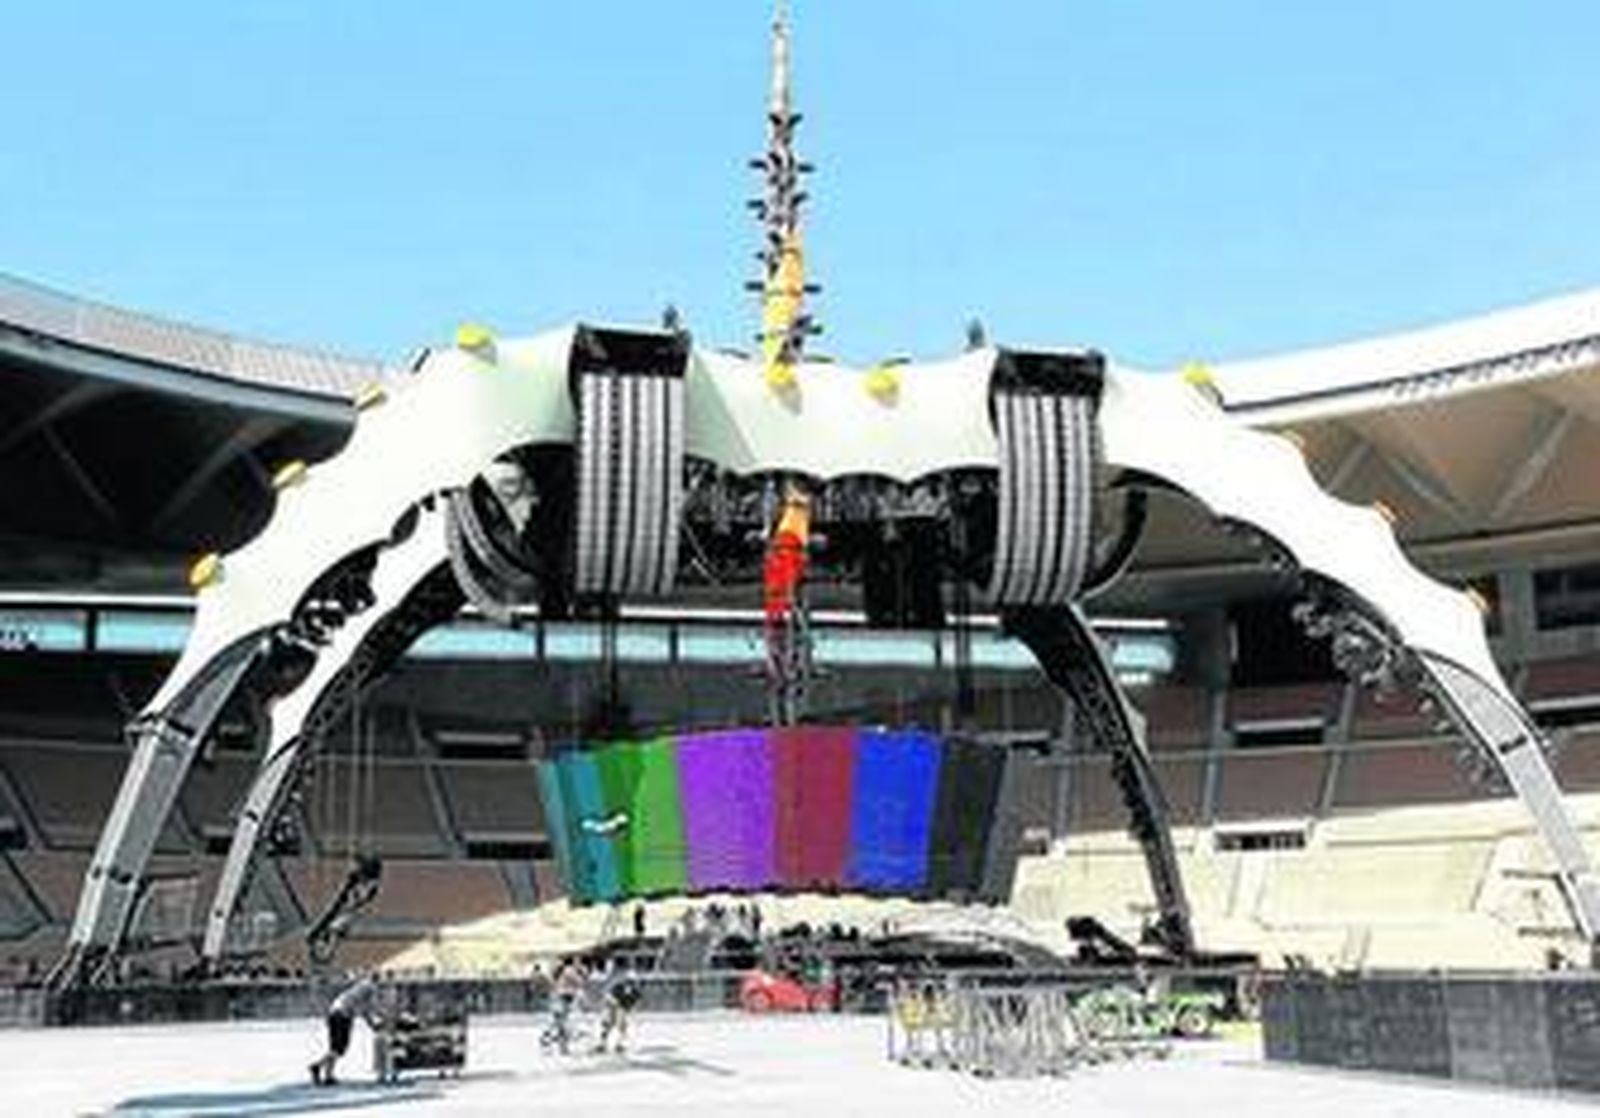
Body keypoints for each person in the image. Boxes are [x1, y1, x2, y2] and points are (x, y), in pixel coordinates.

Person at [310, 972, 386, 1086]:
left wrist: (372, 1023)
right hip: (343, 1015)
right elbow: (365, 1009)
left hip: (335, 1013)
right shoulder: (369, 988)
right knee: (340, 1048)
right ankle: (317, 1066)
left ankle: (328, 1075)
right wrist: (373, 1025)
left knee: (335, 1047)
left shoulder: (360, 986)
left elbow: (362, 1008)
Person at [542, 956, 588, 1054]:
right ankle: (553, 1043)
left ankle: (555, 1044)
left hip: (562, 998)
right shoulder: (569, 971)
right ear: (572, 962)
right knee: (561, 1023)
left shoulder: (567, 971)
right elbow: (580, 982)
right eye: (578, 962)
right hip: (562, 998)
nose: (579, 964)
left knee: (559, 1023)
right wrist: (583, 972)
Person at [596, 958, 641, 1054]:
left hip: (621, 1007)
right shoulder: (620, 987)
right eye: (630, 981)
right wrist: (611, 1005)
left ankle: (617, 1044)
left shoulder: (633, 990)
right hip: (615, 1006)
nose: (630, 983)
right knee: (610, 1025)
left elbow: (634, 1003)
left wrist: (631, 1011)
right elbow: (609, 997)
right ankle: (604, 1044)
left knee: (620, 1026)